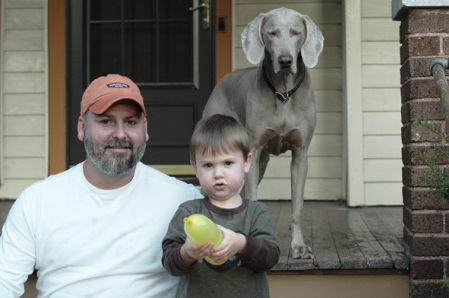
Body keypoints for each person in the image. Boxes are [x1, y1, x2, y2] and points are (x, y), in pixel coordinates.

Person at [0, 74, 202, 297]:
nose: (120, 134)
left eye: (131, 122)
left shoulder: (182, 200)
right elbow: (4, 281)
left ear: (145, 129)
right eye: (106, 121)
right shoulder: (37, 201)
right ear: (81, 127)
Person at [162, 114, 280, 298]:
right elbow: (170, 263)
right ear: (195, 168)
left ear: (247, 162)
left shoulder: (257, 213)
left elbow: (270, 257)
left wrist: (241, 244)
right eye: (208, 165)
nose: (218, 173)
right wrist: (187, 252)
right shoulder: (189, 212)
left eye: (228, 163)